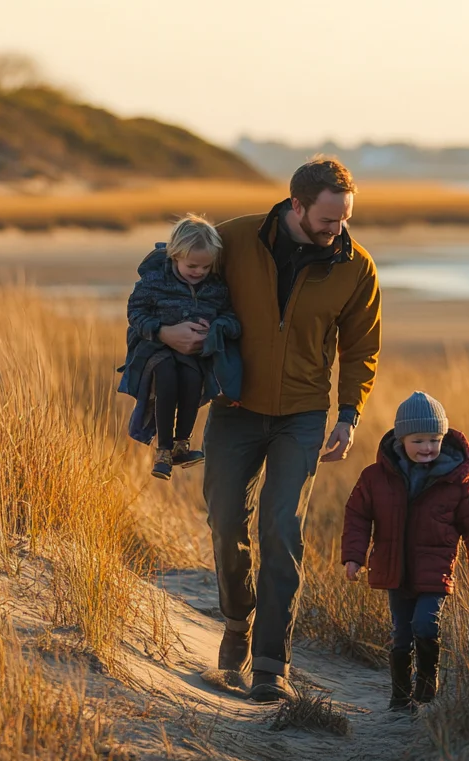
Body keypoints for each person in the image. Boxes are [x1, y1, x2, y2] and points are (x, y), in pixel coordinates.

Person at [194, 158, 382, 703]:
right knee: (225, 517)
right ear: (296, 205)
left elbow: (361, 350)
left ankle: (271, 664)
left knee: (281, 527)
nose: (337, 229)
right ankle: (237, 620)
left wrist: (348, 415)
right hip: (234, 405)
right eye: (328, 218)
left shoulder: (356, 266)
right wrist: (168, 328)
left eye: (345, 218)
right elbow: (172, 276)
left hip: (302, 415)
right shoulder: (234, 239)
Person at [341, 392, 469, 712]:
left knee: (425, 624)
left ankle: (427, 686)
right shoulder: (376, 478)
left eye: (434, 440)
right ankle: (399, 698)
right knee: (400, 633)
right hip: (394, 570)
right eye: (419, 440)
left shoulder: (459, 481)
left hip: (435, 570)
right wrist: (354, 556)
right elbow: (357, 515)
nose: (427, 447)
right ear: (402, 439)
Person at [117, 215, 236, 479]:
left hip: (193, 352)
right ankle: (163, 451)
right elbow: (135, 312)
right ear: (175, 255)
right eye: (192, 265)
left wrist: (215, 329)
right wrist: (159, 329)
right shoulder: (155, 280)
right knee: (167, 377)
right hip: (155, 348)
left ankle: (182, 444)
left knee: (193, 379)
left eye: (206, 267)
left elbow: (229, 315)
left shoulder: (215, 287)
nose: (199, 272)